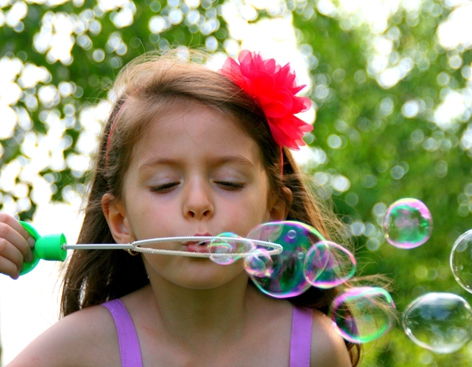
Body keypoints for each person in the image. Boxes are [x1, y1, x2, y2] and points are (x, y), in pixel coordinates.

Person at [0, 49, 362, 366]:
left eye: (229, 182)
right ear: (120, 220)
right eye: (165, 185)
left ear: (274, 213)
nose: (198, 204)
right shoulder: (77, 350)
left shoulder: (314, 348)